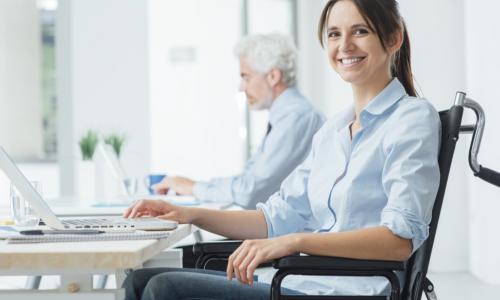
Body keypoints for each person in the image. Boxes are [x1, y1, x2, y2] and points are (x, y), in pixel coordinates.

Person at [122, 0, 441, 298]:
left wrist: (293, 242)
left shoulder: (411, 119)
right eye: (334, 34)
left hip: (349, 290)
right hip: (304, 281)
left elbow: (399, 241)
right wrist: (188, 214)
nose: (344, 45)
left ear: (393, 39)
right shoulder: (332, 131)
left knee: (165, 288)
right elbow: (273, 218)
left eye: (360, 31)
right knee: (138, 279)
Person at [154, 33, 325, 209]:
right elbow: (251, 181)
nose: (241, 87)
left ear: (273, 76)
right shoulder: (287, 115)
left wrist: (192, 187)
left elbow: (249, 190)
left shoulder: (296, 117)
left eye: (246, 77)